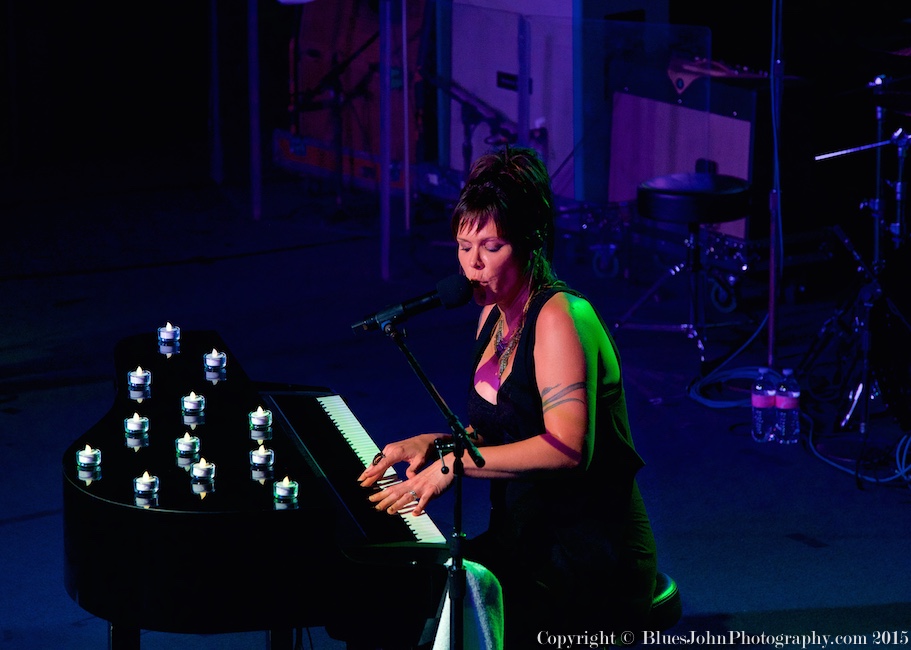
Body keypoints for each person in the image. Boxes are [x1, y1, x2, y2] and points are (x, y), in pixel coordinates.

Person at [358, 146, 657, 645]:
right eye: (462, 247)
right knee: (411, 597)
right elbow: (505, 427)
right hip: (522, 536)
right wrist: (437, 444)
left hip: (585, 552)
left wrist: (456, 465)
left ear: (529, 243)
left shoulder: (562, 318)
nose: (472, 265)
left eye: (490, 247)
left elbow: (566, 450)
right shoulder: (492, 314)